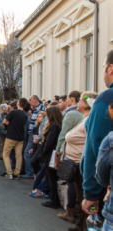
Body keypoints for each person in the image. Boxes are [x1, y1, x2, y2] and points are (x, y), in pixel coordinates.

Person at [57, 92, 98, 226]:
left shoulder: (90, 120)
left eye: (81, 100)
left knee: (88, 196)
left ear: (86, 103)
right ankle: (81, 220)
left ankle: (91, 222)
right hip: (76, 163)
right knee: (80, 193)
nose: (78, 103)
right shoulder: (85, 118)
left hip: (83, 164)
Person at [82, 51, 113, 219]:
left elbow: (96, 147)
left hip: (105, 190)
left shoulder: (106, 99)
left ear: (110, 69)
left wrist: (91, 192)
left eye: (103, 67)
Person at [38, 106, 63, 209]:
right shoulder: (59, 125)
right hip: (54, 154)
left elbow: (49, 143)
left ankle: (54, 201)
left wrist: (42, 153)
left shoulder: (53, 127)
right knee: (52, 178)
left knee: (51, 178)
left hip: (50, 155)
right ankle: (55, 199)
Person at [0, 98, 29, 180]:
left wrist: (9, 123)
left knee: (5, 154)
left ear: (18, 103)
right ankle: (17, 173)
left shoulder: (13, 112)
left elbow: (4, 122)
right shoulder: (25, 114)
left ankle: (9, 172)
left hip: (11, 136)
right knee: (18, 155)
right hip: (20, 137)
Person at [22, 95, 46, 179]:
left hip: (35, 133)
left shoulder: (41, 109)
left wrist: (37, 134)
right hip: (33, 132)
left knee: (27, 152)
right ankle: (33, 172)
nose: (29, 102)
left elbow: (42, 122)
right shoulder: (35, 109)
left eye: (30, 100)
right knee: (31, 152)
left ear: (35, 100)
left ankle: (30, 172)